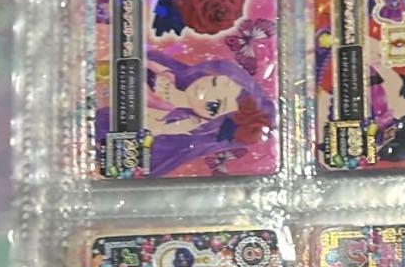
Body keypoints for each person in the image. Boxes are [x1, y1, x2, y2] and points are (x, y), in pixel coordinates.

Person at [95, 50, 275, 176]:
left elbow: (118, 167)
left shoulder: (176, 139)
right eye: (213, 82)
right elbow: (109, 60)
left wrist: (157, 128)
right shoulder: (162, 67)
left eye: (214, 105)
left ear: (215, 121)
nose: (203, 92)